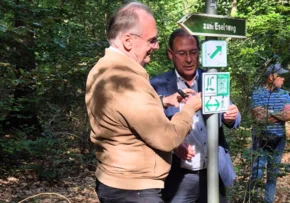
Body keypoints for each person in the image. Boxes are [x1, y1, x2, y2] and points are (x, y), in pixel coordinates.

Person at [85, 2, 202, 203]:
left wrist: (163, 101)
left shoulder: (104, 69)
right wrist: (189, 109)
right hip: (134, 190)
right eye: (152, 40)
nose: (155, 46)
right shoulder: (126, 80)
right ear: (128, 40)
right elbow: (166, 138)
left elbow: (122, 107)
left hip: (116, 182)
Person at [150, 28, 241, 203]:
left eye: (193, 52)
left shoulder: (212, 78)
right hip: (178, 177)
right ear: (170, 54)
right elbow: (151, 130)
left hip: (214, 173)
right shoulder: (158, 85)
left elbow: (233, 116)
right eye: (182, 53)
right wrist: (174, 146)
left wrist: (232, 116)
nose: (189, 59)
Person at [249, 63, 290, 203]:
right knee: (257, 173)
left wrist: (269, 113)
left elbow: (288, 115)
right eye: (281, 76)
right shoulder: (258, 93)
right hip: (260, 139)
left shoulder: (285, 94)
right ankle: (252, 199)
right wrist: (278, 114)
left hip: (279, 139)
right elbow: (258, 117)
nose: (283, 79)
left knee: (273, 175)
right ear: (271, 77)